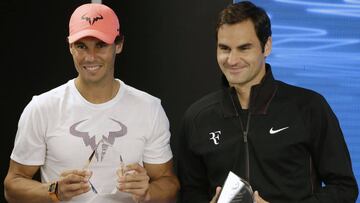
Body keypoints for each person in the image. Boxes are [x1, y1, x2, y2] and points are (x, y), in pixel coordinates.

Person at [174, 1, 358, 203]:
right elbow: (191, 193)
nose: (232, 60)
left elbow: (344, 188)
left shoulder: (309, 107)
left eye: (244, 48)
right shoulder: (197, 118)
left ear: (266, 46)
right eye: (224, 48)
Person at [4, 3, 179, 203]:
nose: (90, 57)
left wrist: (148, 192)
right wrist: (53, 191)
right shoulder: (42, 108)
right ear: (70, 47)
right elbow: (12, 185)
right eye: (81, 46)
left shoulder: (149, 108)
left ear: (119, 45)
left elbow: (168, 183)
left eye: (101, 45)